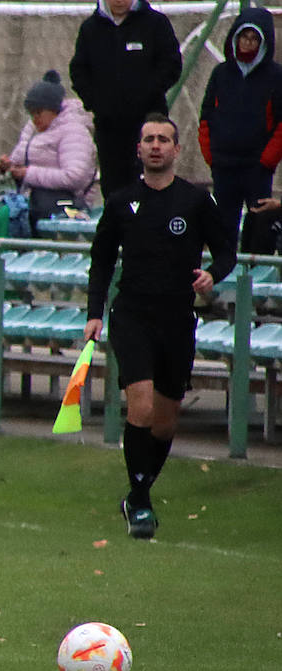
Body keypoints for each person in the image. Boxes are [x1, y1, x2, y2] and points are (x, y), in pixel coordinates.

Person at [83, 114, 235, 540]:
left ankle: (139, 491)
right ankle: (141, 500)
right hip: (132, 315)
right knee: (143, 407)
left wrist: (212, 275)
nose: (155, 145)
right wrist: (95, 312)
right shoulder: (121, 201)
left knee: (165, 423)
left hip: (176, 319)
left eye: (163, 139)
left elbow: (226, 251)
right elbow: (101, 260)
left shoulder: (194, 201)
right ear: (138, 149)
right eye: (148, 138)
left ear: (176, 149)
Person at [69, 0, 182, 198]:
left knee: (150, 184)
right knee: (115, 189)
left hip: (147, 124)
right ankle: (119, 232)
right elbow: (79, 71)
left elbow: (171, 65)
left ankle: (151, 231)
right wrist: (96, 102)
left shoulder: (155, 24)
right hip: (110, 127)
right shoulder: (91, 29)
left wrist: (146, 95)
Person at [198, 6, 282, 249]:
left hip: (257, 168)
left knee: (259, 227)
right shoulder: (221, 73)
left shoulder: (275, 76)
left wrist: (266, 161)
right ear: (235, 37)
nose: (248, 43)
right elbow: (206, 117)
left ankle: (253, 280)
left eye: (255, 38)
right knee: (222, 227)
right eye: (244, 36)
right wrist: (211, 156)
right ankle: (222, 278)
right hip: (224, 165)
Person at [0, 70, 97, 236]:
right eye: (31, 113)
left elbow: (74, 176)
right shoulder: (36, 130)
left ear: (53, 110)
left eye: (39, 112)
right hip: (33, 203)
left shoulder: (74, 132)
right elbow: (21, 156)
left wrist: (27, 174)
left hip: (64, 205)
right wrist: (9, 167)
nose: (35, 118)